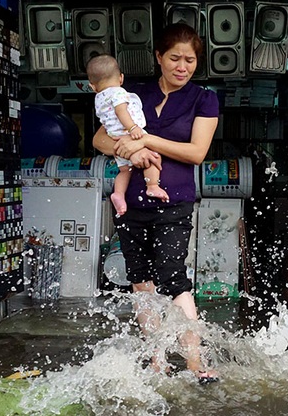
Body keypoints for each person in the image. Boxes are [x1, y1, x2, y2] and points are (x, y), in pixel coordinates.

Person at [93, 23, 220, 385]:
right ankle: (157, 360)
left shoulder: (203, 99)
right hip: (131, 203)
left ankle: (195, 361)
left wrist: (145, 140)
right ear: (159, 57)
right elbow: (100, 139)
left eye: (190, 60)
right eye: (175, 58)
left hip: (174, 201)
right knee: (140, 281)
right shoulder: (133, 93)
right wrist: (129, 149)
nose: (182, 66)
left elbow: (196, 153)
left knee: (173, 276)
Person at [86, 54, 169, 216]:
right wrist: (132, 128)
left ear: (92, 86)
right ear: (121, 78)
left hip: (114, 137)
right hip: (129, 134)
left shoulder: (99, 98)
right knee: (153, 157)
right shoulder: (118, 93)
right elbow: (121, 111)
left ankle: (118, 193)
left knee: (125, 170)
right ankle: (152, 186)